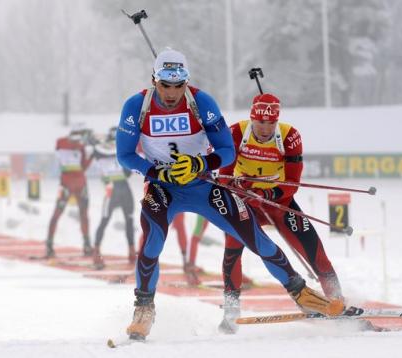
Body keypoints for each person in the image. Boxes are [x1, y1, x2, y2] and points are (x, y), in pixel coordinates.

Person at [116, 48, 345, 341]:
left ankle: (300, 292)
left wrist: (200, 163)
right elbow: (124, 155)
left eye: (178, 85)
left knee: (253, 235)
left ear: (186, 82)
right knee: (152, 240)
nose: (172, 93)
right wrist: (158, 172)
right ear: (154, 80)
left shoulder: (201, 102)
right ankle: (143, 309)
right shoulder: (137, 105)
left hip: (201, 184)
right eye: (165, 85)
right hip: (163, 187)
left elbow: (226, 151)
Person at [217, 93, 343, 333]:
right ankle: (231, 313)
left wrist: (267, 194)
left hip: (279, 200)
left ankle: (338, 303)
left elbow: (292, 183)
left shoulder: (289, 136)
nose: (265, 128)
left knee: (315, 251)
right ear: (252, 118)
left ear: (277, 120)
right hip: (246, 202)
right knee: (232, 250)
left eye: (271, 122)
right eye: (260, 122)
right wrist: (239, 186)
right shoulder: (235, 133)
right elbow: (224, 178)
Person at [45, 124, 94, 258]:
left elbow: (83, 167)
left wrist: (92, 154)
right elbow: (64, 144)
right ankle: (49, 244)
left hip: (79, 183)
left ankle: (87, 245)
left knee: (84, 215)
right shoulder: (62, 142)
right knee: (57, 213)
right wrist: (83, 141)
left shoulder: (81, 146)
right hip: (67, 184)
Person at [92, 126, 136, 269]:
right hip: (117, 188)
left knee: (123, 220)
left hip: (115, 187)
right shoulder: (105, 150)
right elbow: (128, 172)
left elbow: (128, 171)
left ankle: (130, 252)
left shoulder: (101, 150)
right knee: (112, 220)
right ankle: (97, 252)